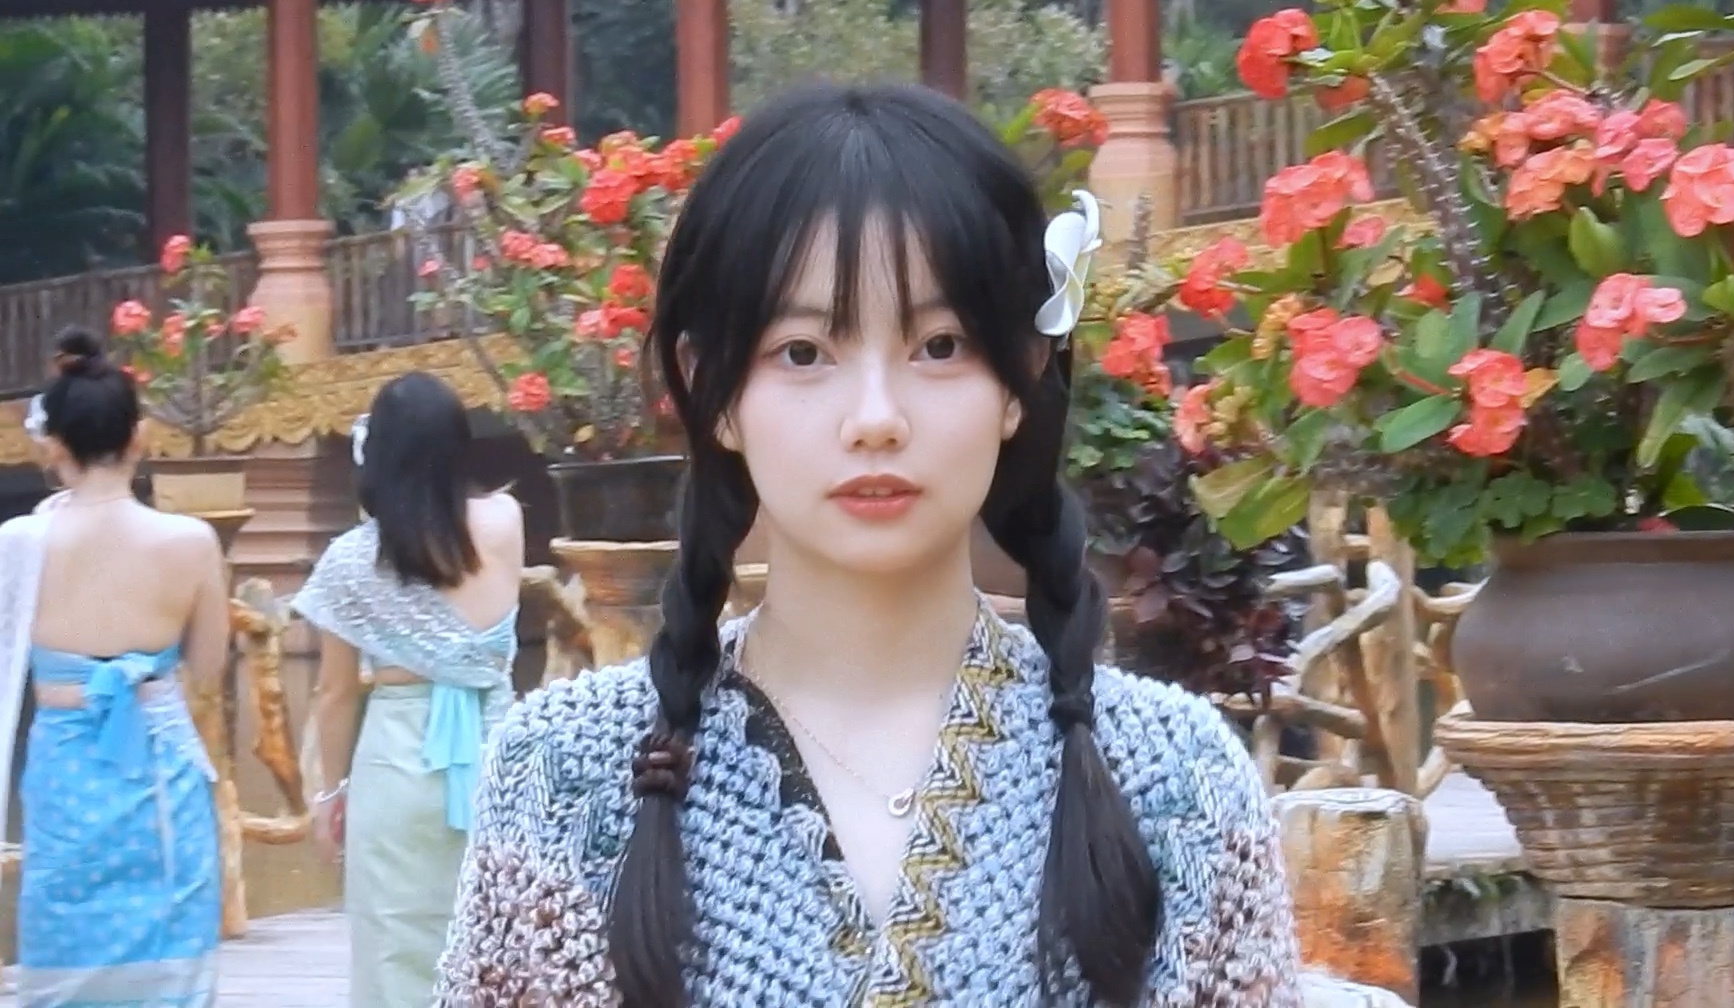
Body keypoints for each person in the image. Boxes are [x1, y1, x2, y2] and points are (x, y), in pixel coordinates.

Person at [435, 84, 1303, 1006]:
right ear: (711, 387)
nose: (877, 418)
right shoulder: (566, 774)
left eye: (941, 346)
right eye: (804, 352)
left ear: (1023, 374)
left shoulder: (1176, 777)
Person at [0, 328, 224, 1005]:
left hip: (65, 764)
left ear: (53, 445)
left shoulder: (20, 541)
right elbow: (207, 668)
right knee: (170, 959)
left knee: (63, 938)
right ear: (139, 437)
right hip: (159, 760)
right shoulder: (192, 541)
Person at [293, 371, 524, 1007]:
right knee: (497, 938)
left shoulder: (349, 559)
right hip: (499, 755)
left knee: (394, 943)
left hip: (397, 762)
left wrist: (329, 795)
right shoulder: (505, 521)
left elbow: (335, 694)